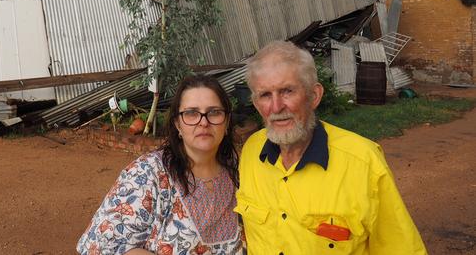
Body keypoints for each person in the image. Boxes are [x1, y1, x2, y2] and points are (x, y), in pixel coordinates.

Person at [236, 40, 427, 254]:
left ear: (314, 95)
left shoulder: (363, 162)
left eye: (287, 91)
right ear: (255, 103)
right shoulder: (251, 152)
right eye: (265, 95)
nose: (276, 107)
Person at [77, 74, 243, 254]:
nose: (203, 122)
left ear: (226, 122)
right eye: (191, 113)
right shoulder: (147, 173)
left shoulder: (240, 172)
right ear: (178, 124)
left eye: (214, 112)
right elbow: (104, 246)